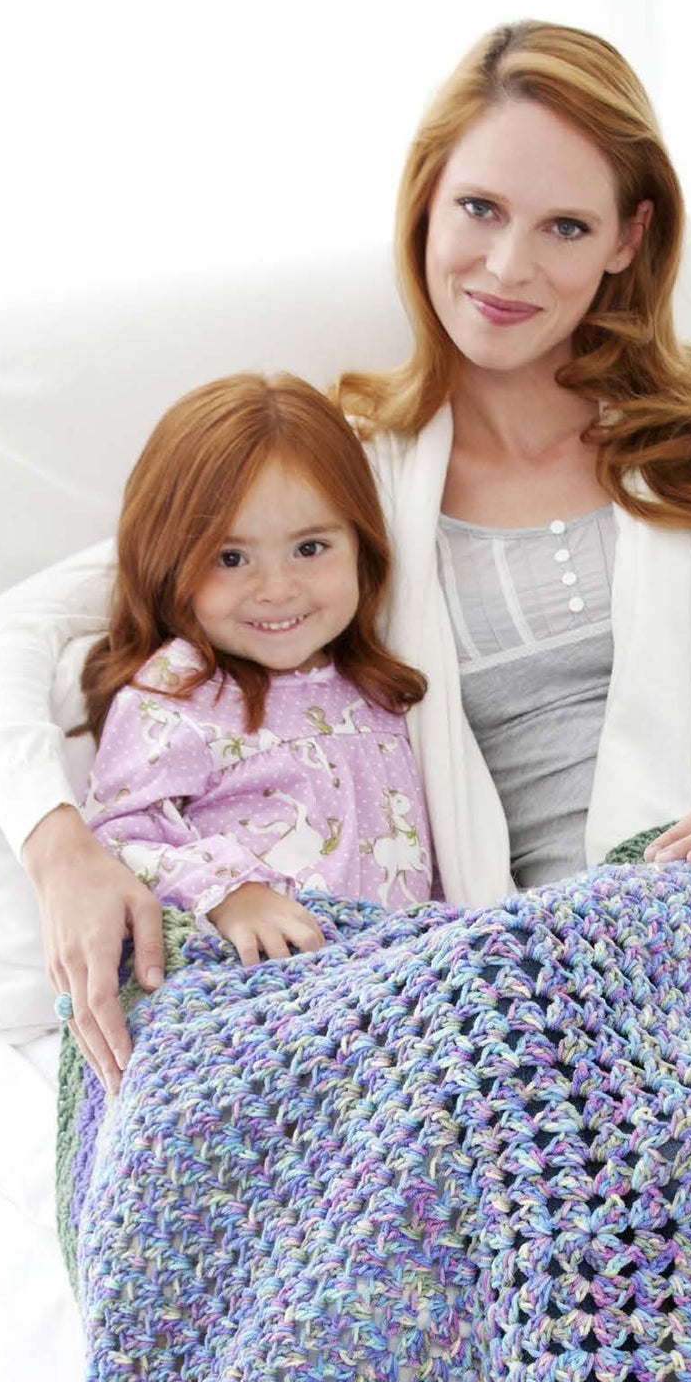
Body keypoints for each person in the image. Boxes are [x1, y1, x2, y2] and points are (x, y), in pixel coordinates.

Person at [0, 19, 691, 1092]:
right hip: (574, 1000)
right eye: (480, 210)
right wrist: (59, 846)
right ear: (425, 203)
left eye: (565, 228)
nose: (507, 267)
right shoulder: (345, 480)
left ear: (628, 240)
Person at [77, 372, 433, 970]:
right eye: (231, 558)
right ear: (170, 560)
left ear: (360, 542)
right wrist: (230, 893)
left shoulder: (377, 686)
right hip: (259, 986)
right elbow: (115, 835)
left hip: (395, 980)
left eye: (310, 548)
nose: (277, 588)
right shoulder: (177, 692)